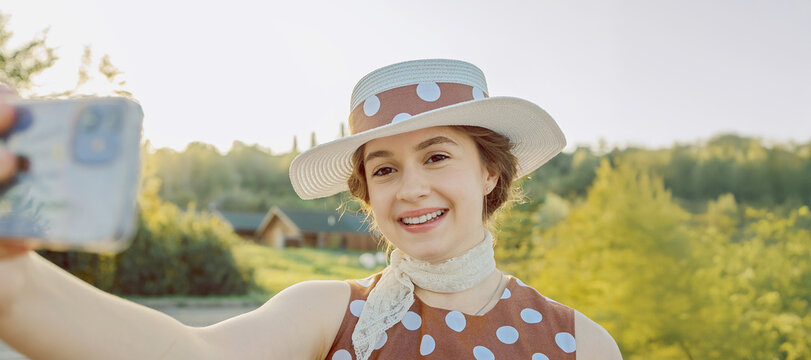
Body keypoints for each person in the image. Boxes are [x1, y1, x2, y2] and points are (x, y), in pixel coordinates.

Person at [0, 59, 622, 359]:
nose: (409, 189)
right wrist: (12, 280)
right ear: (367, 196)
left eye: (437, 157)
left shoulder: (580, 344)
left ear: (489, 172)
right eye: (384, 169)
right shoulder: (329, 314)